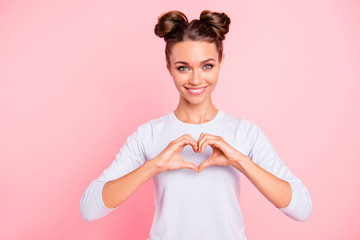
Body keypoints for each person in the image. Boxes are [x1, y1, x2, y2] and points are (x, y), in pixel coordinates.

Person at [80, 10, 312, 240]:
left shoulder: (245, 133)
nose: (196, 79)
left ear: (221, 61)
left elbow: (301, 209)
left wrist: (240, 161)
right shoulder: (149, 134)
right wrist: (155, 165)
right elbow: (89, 209)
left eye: (207, 66)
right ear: (169, 66)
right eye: (183, 67)